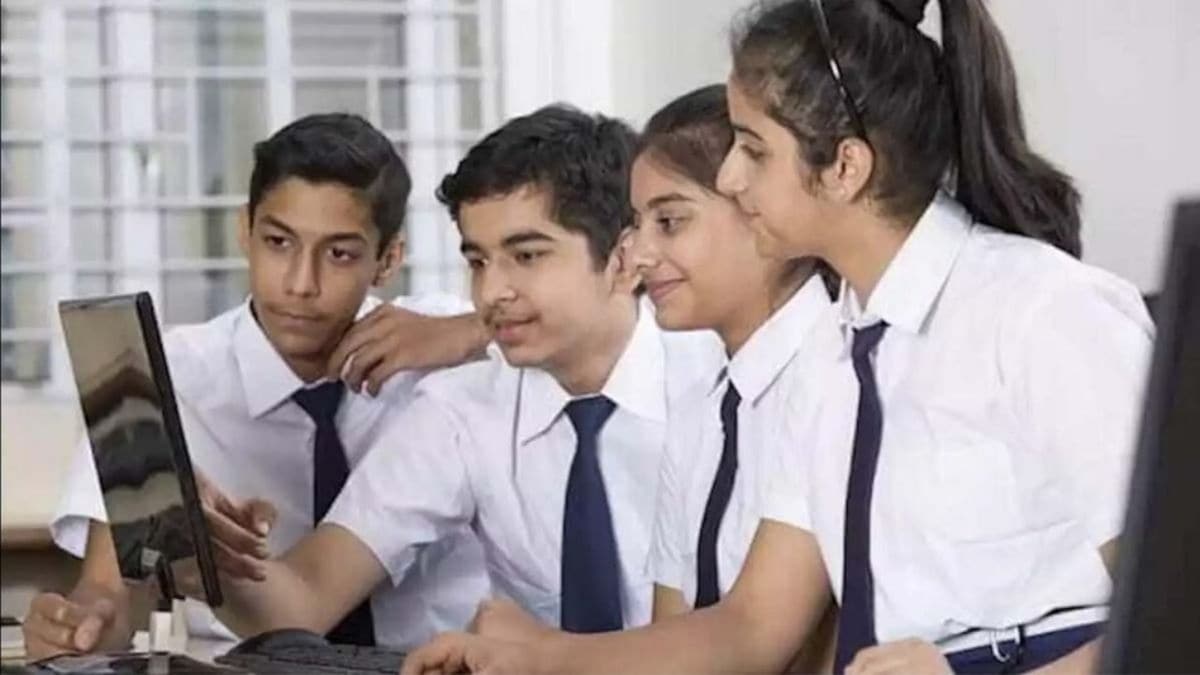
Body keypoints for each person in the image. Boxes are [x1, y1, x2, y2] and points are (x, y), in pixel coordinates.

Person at [402, 1, 1154, 673]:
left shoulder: (1041, 311)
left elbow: (1177, 609)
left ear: (844, 167)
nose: (730, 177)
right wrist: (541, 657)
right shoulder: (837, 353)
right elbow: (752, 627)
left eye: (753, 149)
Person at [193, 104, 723, 642]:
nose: (491, 292)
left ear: (625, 259)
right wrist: (195, 542)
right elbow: (303, 599)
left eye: (527, 256)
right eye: (478, 261)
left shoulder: (718, 387)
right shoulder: (460, 411)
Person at [22, 113, 492, 659]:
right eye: (279, 242)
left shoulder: (444, 347)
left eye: (339, 254)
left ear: (388, 260)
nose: (300, 284)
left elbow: (569, 323)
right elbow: (112, 589)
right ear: (245, 231)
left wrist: (477, 330)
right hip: (243, 663)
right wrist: (85, 625)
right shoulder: (170, 376)